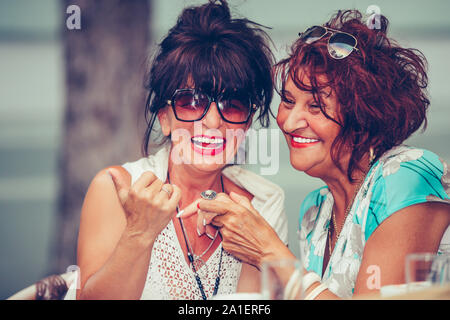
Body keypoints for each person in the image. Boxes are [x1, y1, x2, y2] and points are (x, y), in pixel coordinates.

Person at [180, 9, 450, 299]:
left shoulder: (407, 175)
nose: (290, 121)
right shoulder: (315, 212)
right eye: (288, 100)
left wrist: (269, 251)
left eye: (316, 106)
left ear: (364, 115)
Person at [76, 0, 287, 300]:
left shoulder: (263, 204)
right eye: (192, 102)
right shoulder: (115, 189)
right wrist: (139, 233)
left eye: (234, 103)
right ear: (164, 118)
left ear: (248, 122)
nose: (213, 121)